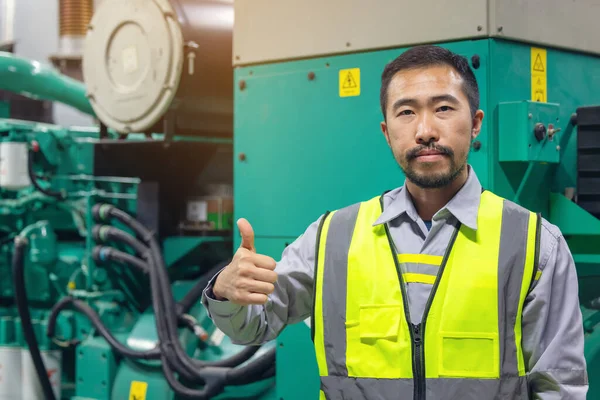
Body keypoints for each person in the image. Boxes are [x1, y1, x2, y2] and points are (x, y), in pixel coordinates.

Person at [202, 45, 588, 399]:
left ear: (475, 124)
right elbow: (251, 326)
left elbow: (559, 388)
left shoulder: (535, 244)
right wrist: (224, 291)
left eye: (444, 108)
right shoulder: (332, 238)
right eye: (406, 112)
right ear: (387, 133)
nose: (425, 131)